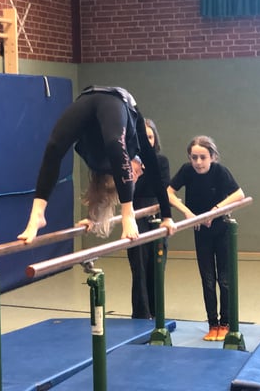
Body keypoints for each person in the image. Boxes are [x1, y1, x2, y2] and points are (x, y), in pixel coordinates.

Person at [18, 86, 176, 244]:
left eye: (133, 177)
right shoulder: (135, 144)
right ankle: (128, 213)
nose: (136, 175)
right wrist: (167, 217)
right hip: (119, 100)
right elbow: (154, 171)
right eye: (134, 176)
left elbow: (100, 192)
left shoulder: (98, 164)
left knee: (54, 146)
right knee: (117, 146)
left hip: (88, 98)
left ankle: (37, 213)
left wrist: (92, 218)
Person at [167, 135, 244, 341]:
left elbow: (239, 194)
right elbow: (168, 193)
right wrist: (187, 213)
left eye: (203, 157)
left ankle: (225, 323)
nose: (198, 162)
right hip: (201, 230)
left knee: (224, 279)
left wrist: (215, 211)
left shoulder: (220, 171)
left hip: (222, 228)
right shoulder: (187, 171)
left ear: (212, 157)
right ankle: (213, 324)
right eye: (194, 158)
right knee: (207, 279)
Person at [126, 118, 170, 319]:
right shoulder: (128, 163)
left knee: (157, 264)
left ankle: (156, 310)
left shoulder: (161, 161)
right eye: (143, 137)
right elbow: (130, 191)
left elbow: (163, 187)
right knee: (140, 265)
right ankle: (142, 312)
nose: (147, 141)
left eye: (150, 137)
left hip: (157, 211)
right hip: (136, 212)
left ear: (155, 139)